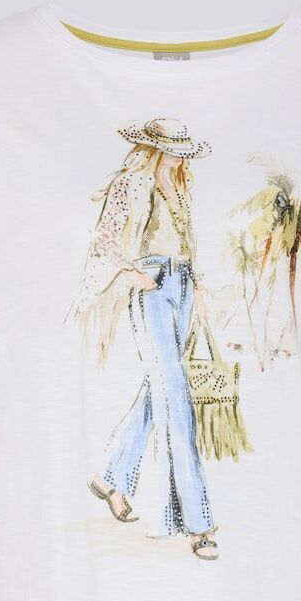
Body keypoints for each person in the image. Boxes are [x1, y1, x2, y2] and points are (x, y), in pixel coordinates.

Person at [75, 118, 217, 559]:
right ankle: (198, 523)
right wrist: (134, 273)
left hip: (182, 285)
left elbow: (187, 241)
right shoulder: (130, 182)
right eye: (173, 149)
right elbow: (105, 238)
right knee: (175, 394)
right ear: (152, 147)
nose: (178, 157)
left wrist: (198, 285)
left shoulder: (179, 185)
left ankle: (110, 478)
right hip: (152, 285)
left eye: (182, 151)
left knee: (161, 390)